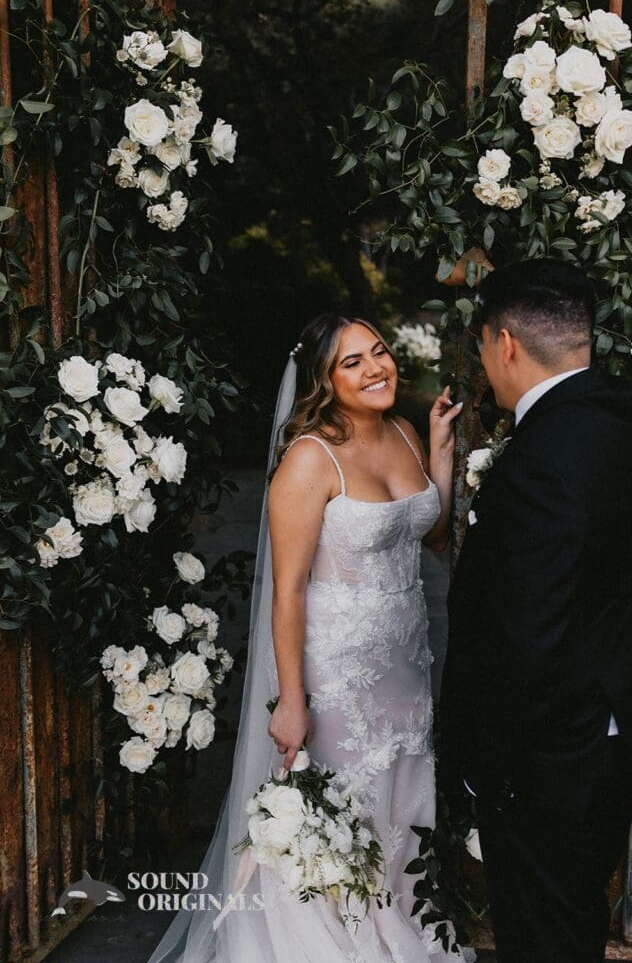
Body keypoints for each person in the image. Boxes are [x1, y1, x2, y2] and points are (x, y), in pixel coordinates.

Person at [148, 312, 472, 963]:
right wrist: (292, 700)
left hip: (404, 670)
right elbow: (287, 590)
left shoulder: (405, 432)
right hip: (335, 677)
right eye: (353, 362)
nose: (376, 368)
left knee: (396, 810)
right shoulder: (307, 459)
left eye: (379, 351)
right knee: (341, 817)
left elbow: (432, 536)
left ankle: (391, 929)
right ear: (324, 380)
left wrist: (440, 450)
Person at [438, 259, 632, 963]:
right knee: (570, 931)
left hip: (551, 763)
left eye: (482, 345)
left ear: (505, 343)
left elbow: (530, 628)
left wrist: (498, 766)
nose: (485, 362)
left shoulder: (542, 453)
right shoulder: (625, 416)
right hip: (612, 731)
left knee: (542, 940)